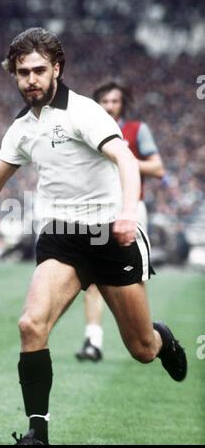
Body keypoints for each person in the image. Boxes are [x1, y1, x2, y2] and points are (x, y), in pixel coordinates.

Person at [0, 27, 186, 445]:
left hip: (109, 237)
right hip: (61, 238)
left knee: (141, 349)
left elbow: (124, 158)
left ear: (57, 70)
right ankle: (38, 433)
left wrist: (126, 213)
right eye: (22, 72)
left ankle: (164, 339)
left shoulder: (85, 112)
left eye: (38, 71)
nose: (30, 79)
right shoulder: (21, 127)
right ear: (14, 75)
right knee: (31, 324)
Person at [75, 80, 165, 362]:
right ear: (97, 104)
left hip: (130, 209)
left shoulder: (137, 131)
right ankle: (93, 341)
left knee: (132, 279)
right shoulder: (87, 130)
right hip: (97, 211)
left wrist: (123, 158)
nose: (110, 106)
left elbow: (158, 168)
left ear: (122, 103)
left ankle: (146, 336)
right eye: (104, 101)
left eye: (114, 101)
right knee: (90, 277)